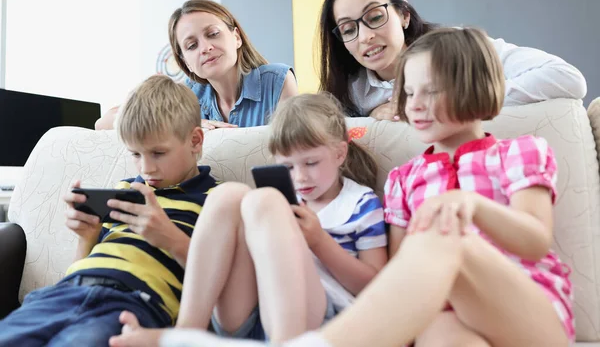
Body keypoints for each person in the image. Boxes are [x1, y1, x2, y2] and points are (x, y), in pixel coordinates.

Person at [109, 28, 574, 347]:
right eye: (408, 93)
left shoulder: (520, 152)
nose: (415, 105)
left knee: (446, 242)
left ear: (476, 85)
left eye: (429, 91)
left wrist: (469, 205)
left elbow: (533, 241)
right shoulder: (405, 179)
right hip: (441, 315)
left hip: (528, 313)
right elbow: (396, 277)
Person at [109, 93, 388, 347]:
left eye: (311, 163)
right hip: (254, 315)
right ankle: (187, 332)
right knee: (229, 194)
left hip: (324, 320)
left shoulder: (360, 204)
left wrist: (318, 241)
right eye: (287, 166)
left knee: (264, 200)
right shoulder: (285, 197)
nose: (300, 177)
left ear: (340, 153)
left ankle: (285, 342)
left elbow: (375, 287)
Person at [0, 75, 219, 346]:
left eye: (158, 153)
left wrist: (169, 238)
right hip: (65, 293)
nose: (146, 169)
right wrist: (87, 236)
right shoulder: (125, 189)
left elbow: (222, 282)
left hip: (133, 303)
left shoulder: (217, 199)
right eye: (136, 155)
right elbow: (81, 266)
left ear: (195, 141)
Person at [318, 0, 586, 119]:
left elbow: (567, 78)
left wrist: (453, 101)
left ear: (404, 14)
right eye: (349, 29)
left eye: (375, 17)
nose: (365, 36)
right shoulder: (351, 92)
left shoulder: (458, 47)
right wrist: (374, 115)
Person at [95, 0, 297, 131]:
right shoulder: (186, 95)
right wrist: (181, 124)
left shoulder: (278, 80)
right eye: (192, 45)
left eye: (213, 34)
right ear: (186, 63)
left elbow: (294, 149)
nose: (205, 48)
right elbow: (102, 124)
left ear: (236, 37)